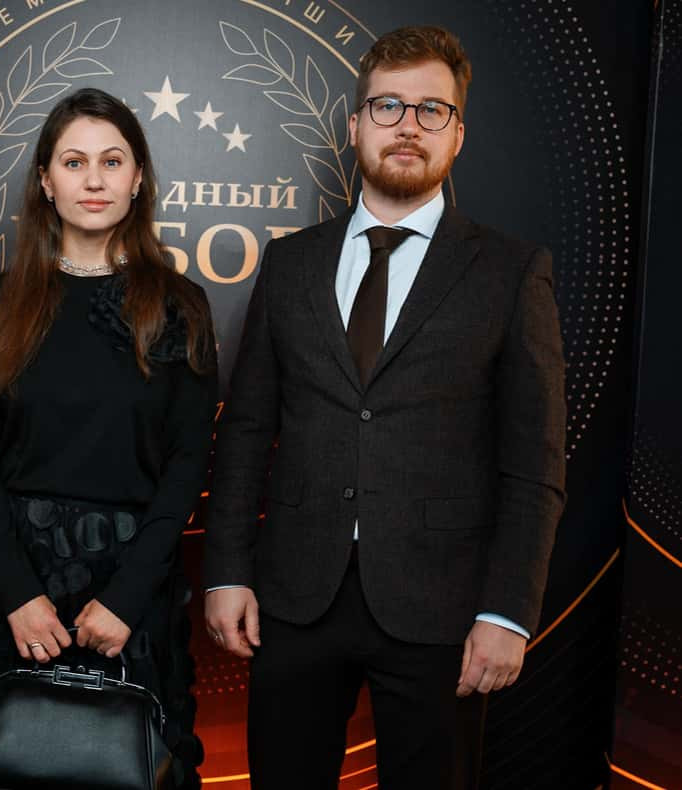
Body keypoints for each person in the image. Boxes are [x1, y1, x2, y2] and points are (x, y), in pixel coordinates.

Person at [201, 26, 566, 789]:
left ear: (458, 134)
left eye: (433, 110)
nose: (408, 125)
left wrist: (507, 612)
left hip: (444, 611)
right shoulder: (291, 262)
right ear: (355, 125)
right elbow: (246, 432)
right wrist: (226, 570)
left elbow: (534, 463)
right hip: (293, 600)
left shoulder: (510, 271)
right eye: (389, 105)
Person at [0, 87, 217, 789]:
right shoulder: (1, 300)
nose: (93, 179)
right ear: (46, 182)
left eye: (111, 161)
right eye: (74, 162)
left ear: (138, 179)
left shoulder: (180, 306)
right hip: (12, 585)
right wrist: (17, 594)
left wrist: (127, 599)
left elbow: (187, 466)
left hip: (130, 589)